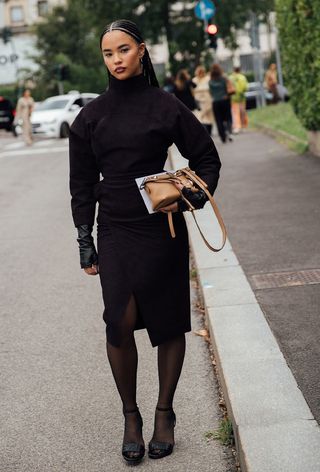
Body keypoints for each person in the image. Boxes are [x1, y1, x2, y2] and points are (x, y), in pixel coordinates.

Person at [69, 19, 221, 465]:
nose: (116, 59)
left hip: (161, 228)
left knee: (169, 321)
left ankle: (164, 413)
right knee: (118, 321)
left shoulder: (164, 106)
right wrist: (84, 237)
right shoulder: (91, 116)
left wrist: (191, 196)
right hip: (114, 228)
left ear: (141, 51)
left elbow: (206, 156)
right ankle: (130, 417)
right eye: (108, 53)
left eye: (123, 50)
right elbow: (80, 184)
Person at [209, 64, 233, 143]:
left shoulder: (210, 81)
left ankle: (222, 136)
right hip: (225, 100)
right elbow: (230, 88)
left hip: (215, 102)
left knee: (218, 120)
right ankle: (229, 132)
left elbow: (211, 93)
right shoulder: (224, 79)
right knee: (228, 117)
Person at [192, 65, 214, 136]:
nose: (201, 73)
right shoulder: (194, 80)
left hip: (208, 99)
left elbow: (210, 88)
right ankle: (205, 131)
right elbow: (192, 90)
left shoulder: (208, 78)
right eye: (199, 72)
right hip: (199, 100)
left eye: (202, 72)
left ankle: (209, 131)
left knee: (209, 115)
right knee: (201, 116)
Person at [229, 66, 248, 133]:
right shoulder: (242, 77)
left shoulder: (230, 78)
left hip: (233, 98)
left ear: (233, 70)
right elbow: (245, 87)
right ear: (239, 70)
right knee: (242, 112)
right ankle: (243, 126)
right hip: (241, 97)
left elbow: (228, 87)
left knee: (235, 113)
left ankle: (237, 127)